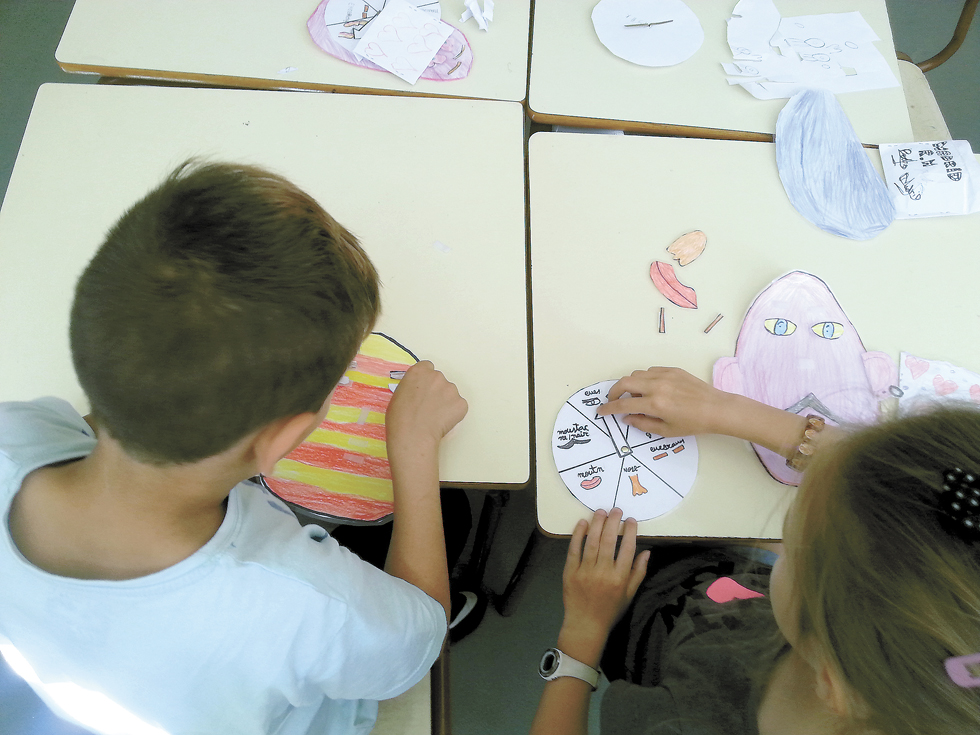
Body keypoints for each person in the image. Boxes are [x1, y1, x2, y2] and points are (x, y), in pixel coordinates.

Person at [0, 161, 468, 735]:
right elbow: (420, 634)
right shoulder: (310, 605)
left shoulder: (12, 433)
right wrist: (415, 447)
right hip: (302, 697)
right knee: (449, 527)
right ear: (282, 440)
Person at [531, 366, 980, 735]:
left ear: (830, 677)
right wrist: (724, 409)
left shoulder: (683, 722)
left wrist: (584, 632)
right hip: (718, 595)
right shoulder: (886, 655)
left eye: (799, 543)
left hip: (640, 633)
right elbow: (891, 482)